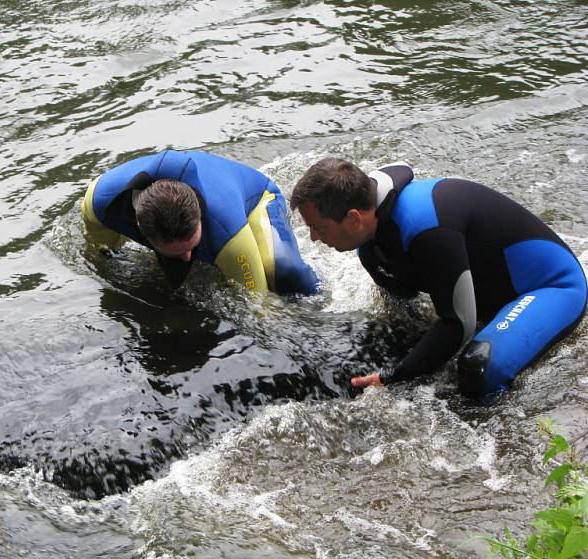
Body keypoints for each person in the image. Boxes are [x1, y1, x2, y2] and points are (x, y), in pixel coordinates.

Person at [291, 158, 587, 399]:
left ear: (354, 218)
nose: (314, 238)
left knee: (477, 368)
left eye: (319, 227)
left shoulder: (425, 228)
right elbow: (403, 307)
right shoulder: (371, 243)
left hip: (552, 288)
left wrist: (394, 376)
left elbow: (458, 323)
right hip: (489, 296)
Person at [81, 149, 320, 295]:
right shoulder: (100, 205)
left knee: (286, 276)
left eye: (191, 245)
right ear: (142, 230)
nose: (188, 258)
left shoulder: (226, 230)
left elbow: (260, 309)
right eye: (179, 252)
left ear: (199, 214)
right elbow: (103, 254)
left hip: (257, 199)